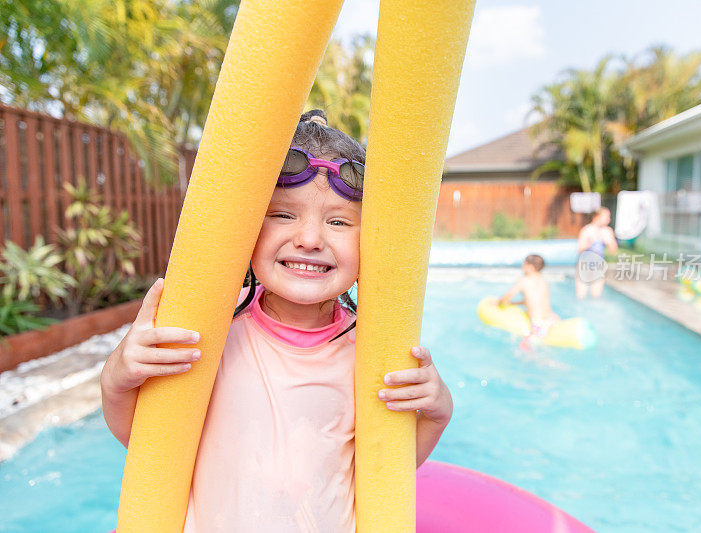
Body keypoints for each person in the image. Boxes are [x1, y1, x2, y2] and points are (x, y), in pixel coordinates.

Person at [100, 110, 453, 532]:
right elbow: (146, 442)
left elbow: (384, 471)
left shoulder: (371, 352)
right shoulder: (210, 334)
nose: (309, 239)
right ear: (246, 228)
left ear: (372, 241)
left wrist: (436, 413)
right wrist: (117, 376)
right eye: (283, 215)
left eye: (338, 221)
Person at [499, 254, 560, 344]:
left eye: (524, 264)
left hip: (539, 324)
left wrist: (497, 303)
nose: (522, 266)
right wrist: (514, 304)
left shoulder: (524, 281)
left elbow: (506, 297)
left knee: (524, 347)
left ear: (530, 267)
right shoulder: (543, 280)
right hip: (553, 318)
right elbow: (535, 301)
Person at [575, 207, 618, 299]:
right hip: (585, 265)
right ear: (597, 217)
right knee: (581, 296)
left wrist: (609, 242)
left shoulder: (608, 231)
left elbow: (614, 252)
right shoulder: (587, 230)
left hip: (599, 266)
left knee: (596, 296)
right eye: (606, 216)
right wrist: (590, 242)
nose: (609, 219)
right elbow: (580, 249)